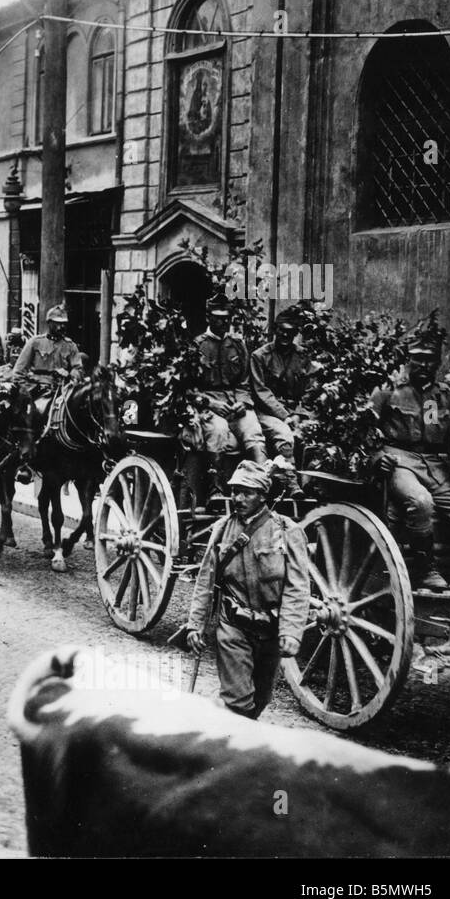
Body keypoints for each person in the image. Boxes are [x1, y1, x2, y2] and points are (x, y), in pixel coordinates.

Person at [173, 459, 308, 720]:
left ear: (262, 496)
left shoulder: (287, 531)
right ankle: (232, 749)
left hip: (270, 631)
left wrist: (292, 632)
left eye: (247, 492)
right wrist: (195, 625)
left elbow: (297, 587)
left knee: (260, 700)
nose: (238, 498)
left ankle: (228, 737)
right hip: (234, 627)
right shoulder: (223, 529)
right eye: (235, 491)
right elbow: (206, 580)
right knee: (238, 701)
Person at [371, 333, 450, 588]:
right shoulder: (387, 391)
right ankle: (425, 568)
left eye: (430, 360)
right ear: (409, 359)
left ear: (439, 362)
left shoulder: (447, 396)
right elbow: (367, 433)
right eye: (418, 359)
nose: (424, 365)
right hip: (399, 460)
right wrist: (378, 458)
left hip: (434, 464)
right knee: (421, 502)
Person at [192, 294, 266, 464]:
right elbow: (189, 388)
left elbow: (244, 381)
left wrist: (242, 402)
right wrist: (210, 403)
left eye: (227, 318)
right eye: (218, 318)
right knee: (218, 430)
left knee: (253, 431)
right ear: (208, 317)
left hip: (235, 404)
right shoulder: (196, 346)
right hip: (208, 405)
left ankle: (260, 481)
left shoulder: (238, 345)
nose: (224, 323)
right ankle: (215, 487)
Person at [250, 308, 311, 459]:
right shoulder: (260, 356)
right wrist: (285, 416)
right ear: (275, 330)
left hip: (296, 412)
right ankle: (288, 481)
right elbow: (261, 392)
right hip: (268, 413)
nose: (285, 335)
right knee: (285, 437)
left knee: (312, 438)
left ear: (296, 333)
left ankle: (307, 482)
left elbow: (310, 390)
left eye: (290, 332)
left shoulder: (302, 356)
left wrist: (299, 414)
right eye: (281, 330)